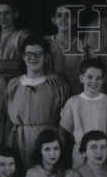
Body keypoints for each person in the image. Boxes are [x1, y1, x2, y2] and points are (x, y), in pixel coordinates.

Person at [5, 37, 68, 166]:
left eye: (38, 54)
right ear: (23, 57)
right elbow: (6, 119)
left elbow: (64, 122)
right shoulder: (13, 85)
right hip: (18, 142)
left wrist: (62, 147)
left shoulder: (57, 84)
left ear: (46, 57)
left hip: (47, 141)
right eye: (29, 54)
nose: (33, 57)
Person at [60, 58, 107, 167]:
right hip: (81, 154)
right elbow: (64, 130)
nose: (94, 81)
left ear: (103, 80)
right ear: (81, 78)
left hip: (104, 153)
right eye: (89, 77)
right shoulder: (73, 102)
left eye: (98, 78)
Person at [46, 4, 90, 94]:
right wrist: (47, 71)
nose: (63, 19)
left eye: (67, 15)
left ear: (74, 20)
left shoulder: (83, 44)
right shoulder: (45, 42)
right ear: (53, 20)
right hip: (51, 94)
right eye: (59, 15)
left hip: (76, 94)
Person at [0, 1, 29, 80]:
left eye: (7, 13)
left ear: (15, 14)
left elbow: (18, 65)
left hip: (14, 84)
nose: (2, 17)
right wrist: (5, 67)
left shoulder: (22, 36)